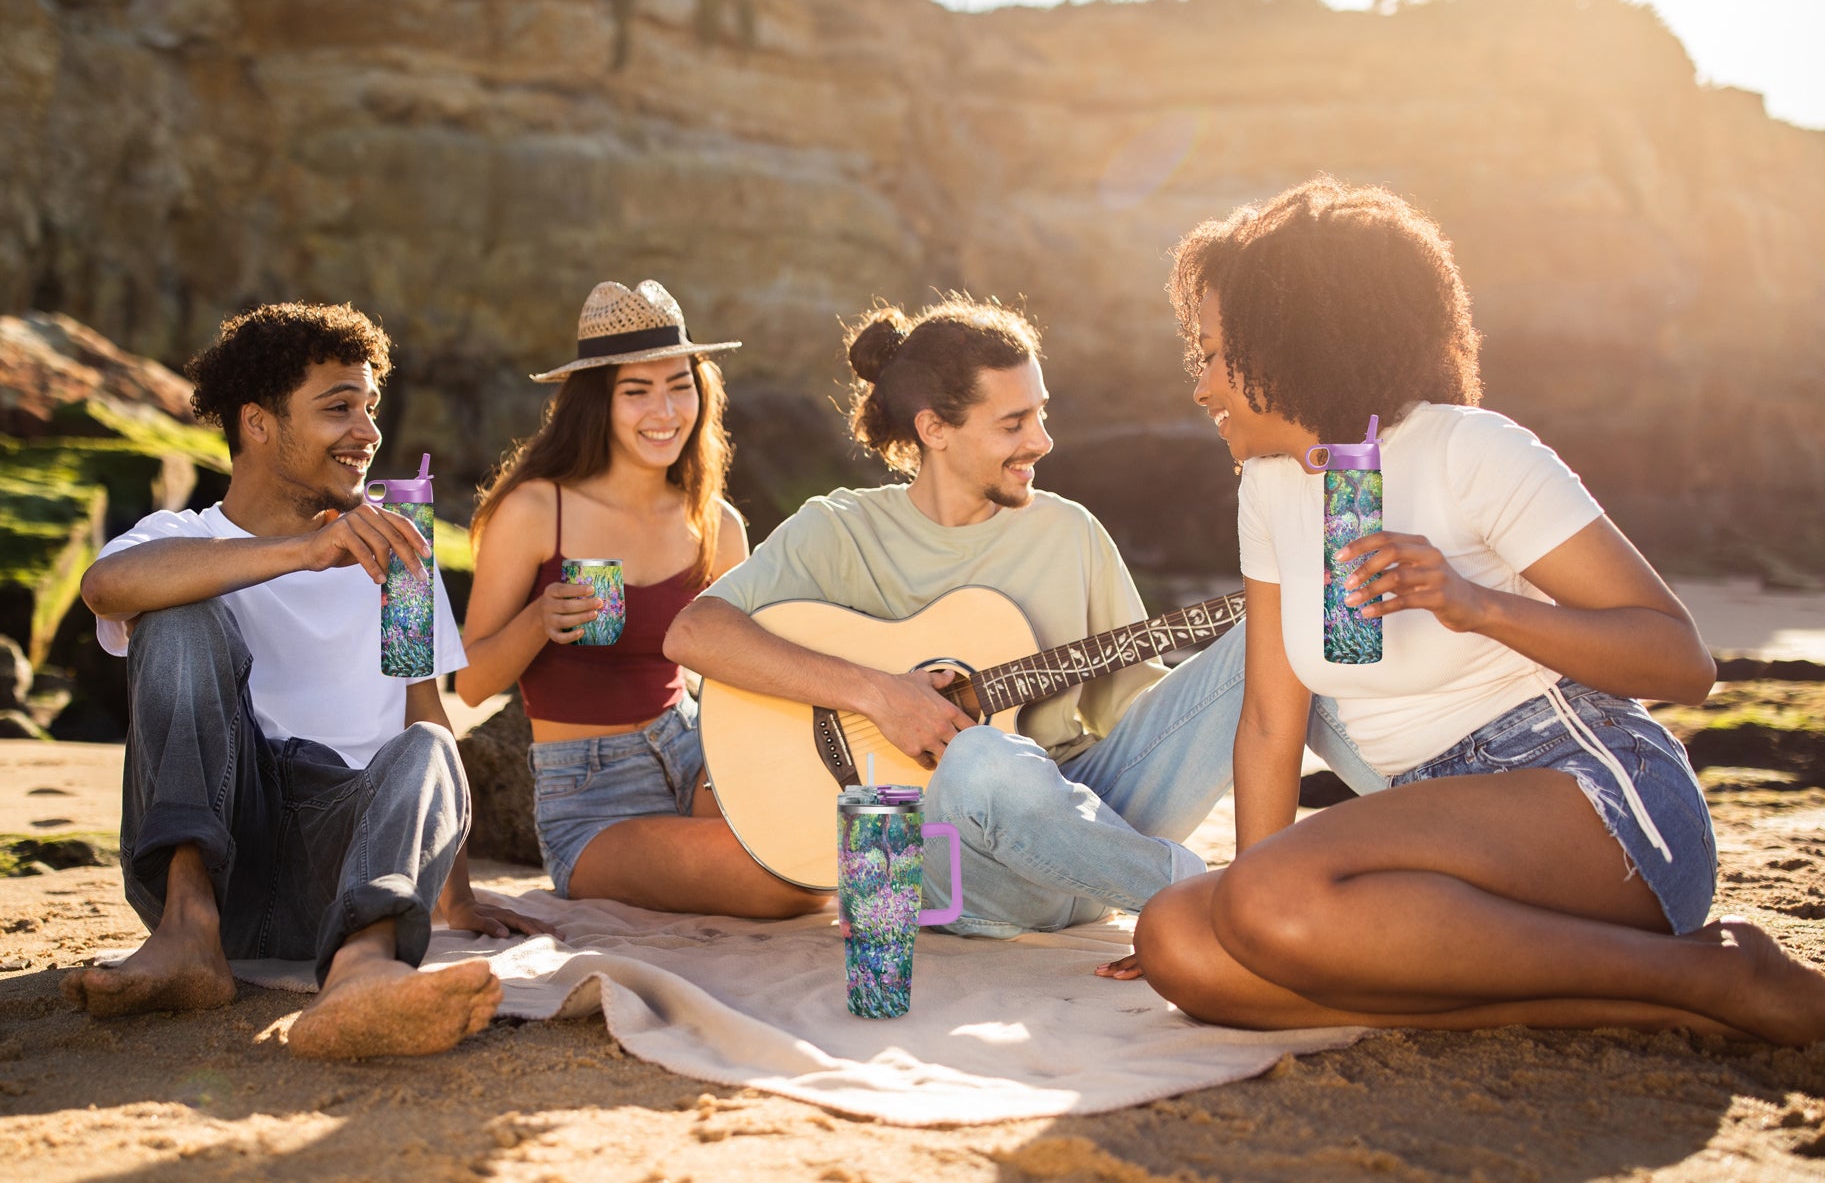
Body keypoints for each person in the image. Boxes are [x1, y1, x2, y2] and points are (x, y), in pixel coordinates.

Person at [1115, 177, 1825, 1045]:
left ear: (1288, 341)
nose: (1201, 387)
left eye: (1214, 355)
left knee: (1262, 902)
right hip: (1426, 837)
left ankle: (1710, 968)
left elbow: (1683, 665)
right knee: (1180, 942)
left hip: (1593, 802)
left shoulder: (1470, 450)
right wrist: (1243, 926)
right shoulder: (1268, 488)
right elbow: (1269, 718)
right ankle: (1675, 994)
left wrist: (1473, 603)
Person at [665, 292, 1383, 938]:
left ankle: (1427, 814)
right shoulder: (839, 530)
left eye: (1040, 413)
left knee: (1281, 629)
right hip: (955, 870)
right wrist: (880, 694)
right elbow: (693, 633)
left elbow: (1134, 715)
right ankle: (1217, 900)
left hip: (1088, 827)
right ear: (934, 429)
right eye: (1014, 422)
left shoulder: (1069, 532)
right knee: (982, 758)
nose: (1041, 440)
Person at [70, 302, 536, 1059]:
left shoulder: (397, 557)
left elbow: (428, 713)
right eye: (338, 407)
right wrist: (300, 553)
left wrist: (457, 893)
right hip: (222, 847)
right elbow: (107, 587)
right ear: (257, 424)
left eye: (370, 408)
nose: (368, 431)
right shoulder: (180, 540)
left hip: (346, 870)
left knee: (427, 744)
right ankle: (187, 932)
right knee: (178, 613)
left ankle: (361, 970)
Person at [455, 280, 824, 918]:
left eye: (680, 384)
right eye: (637, 390)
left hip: (695, 753)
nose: (665, 410)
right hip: (593, 796)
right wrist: (540, 620)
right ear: (598, 402)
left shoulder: (717, 523)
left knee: (821, 839)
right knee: (789, 882)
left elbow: (747, 671)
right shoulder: (539, 509)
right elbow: (468, 684)